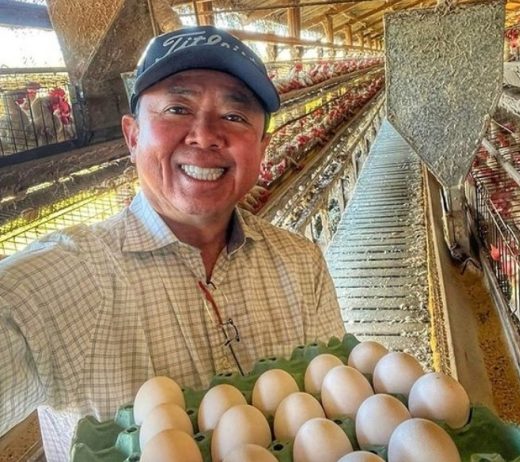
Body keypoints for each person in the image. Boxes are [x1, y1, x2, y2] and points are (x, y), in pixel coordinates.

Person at [0, 25, 345, 461]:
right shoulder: (62, 281)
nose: (205, 134)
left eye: (235, 116)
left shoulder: (301, 262)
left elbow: (336, 404)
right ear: (132, 137)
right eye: (177, 108)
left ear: (262, 148)